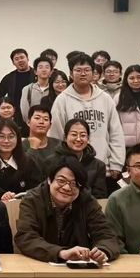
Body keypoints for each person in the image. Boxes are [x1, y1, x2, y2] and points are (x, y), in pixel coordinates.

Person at [14, 158, 119, 264]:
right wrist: (61, 253)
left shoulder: (87, 201)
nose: (67, 187)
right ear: (49, 180)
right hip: (40, 264)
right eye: (61, 181)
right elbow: (26, 237)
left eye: (74, 183)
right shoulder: (32, 200)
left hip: (80, 267)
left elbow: (106, 235)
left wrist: (103, 250)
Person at [48, 53, 125, 194]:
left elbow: (116, 132)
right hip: (70, 171)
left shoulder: (105, 98)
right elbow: (55, 136)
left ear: (93, 73)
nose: (83, 74)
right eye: (78, 70)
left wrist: (117, 163)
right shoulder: (62, 100)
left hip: (103, 167)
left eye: (87, 70)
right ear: (71, 73)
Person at [44, 119, 107, 199]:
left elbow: (99, 197)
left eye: (83, 135)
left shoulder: (98, 166)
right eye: (74, 134)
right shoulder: (51, 161)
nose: (78, 139)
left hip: (87, 205)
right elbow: (45, 192)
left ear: (88, 138)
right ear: (65, 137)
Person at [0, 118, 42, 202]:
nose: (6, 141)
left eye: (11, 136)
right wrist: (0, 195)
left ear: (18, 139)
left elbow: (38, 189)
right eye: (1, 136)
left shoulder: (28, 163)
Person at [0, 48, 36, 130]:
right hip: (16, 116)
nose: (20, 60)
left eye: (22, 57)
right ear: (13, 63)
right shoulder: (9, 78)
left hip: (34, 114)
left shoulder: (36, 75)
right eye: (16, 59)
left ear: (27, 59)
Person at [23, 105, 61, 171]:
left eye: (46, 119)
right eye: (37, 118)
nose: (41, 122)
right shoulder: (20, 146)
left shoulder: (59, 145)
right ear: (28, 122)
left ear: (50, 125)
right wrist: (33, 149)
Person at [20, 56, 52, 124]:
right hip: (32, 125)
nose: (44, 70)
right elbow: (25, 113)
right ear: (35, 72)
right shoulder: (27, 89)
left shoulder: (54, 88)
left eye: (47, 67)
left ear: (51, 72)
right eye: (40, 67)